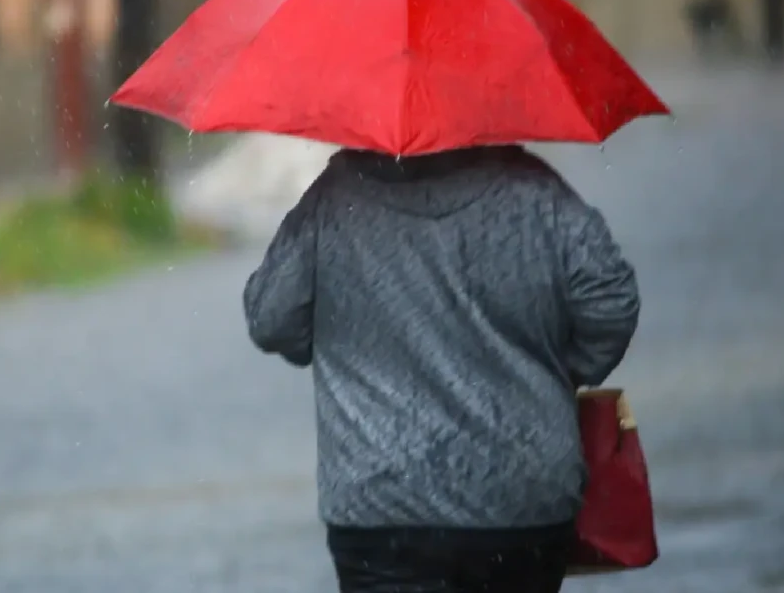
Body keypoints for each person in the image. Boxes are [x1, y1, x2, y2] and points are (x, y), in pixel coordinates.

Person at [242, 146, 641, 593]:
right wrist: (558, 375)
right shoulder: (537, 192)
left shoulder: (334, 199)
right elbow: (611, 303)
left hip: (384, 502)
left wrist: (340, 345)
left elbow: (271, 319)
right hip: (521, 496)